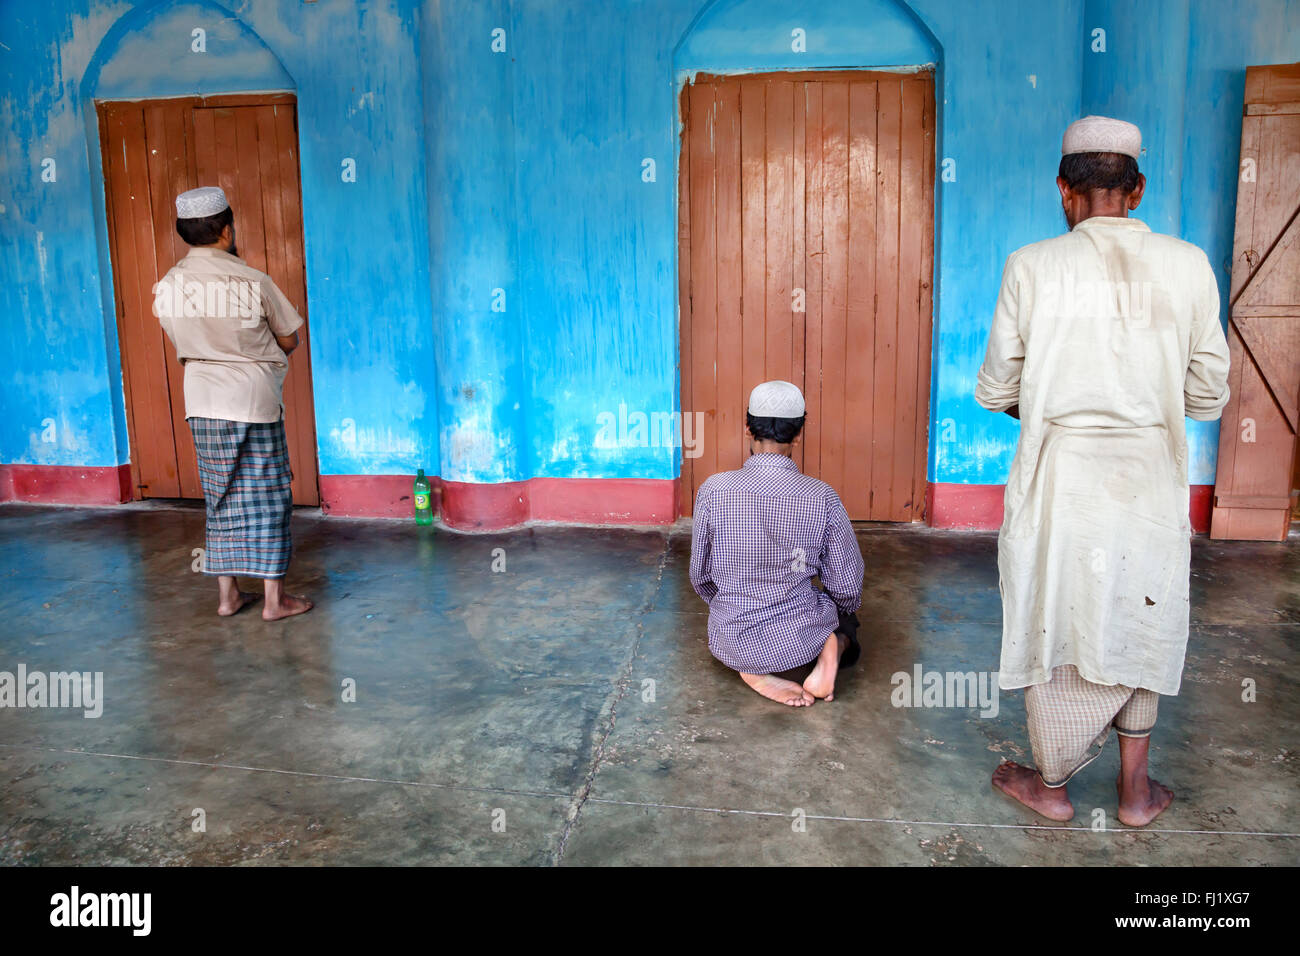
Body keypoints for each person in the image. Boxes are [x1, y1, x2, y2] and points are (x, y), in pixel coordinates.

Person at [976, 116, 1230, 825]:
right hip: (1148, 479)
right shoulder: (1187, 264)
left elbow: (999, 388)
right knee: (1139, 612)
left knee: (1057, 617)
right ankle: (1135, 794)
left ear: (1064, 190)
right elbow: (1210, 394)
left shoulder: (1032, 265)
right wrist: (1142, 402)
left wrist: (1062, 402)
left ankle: (1051, 788)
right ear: (1138, 189)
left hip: (1060, 483)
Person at [154, 186, 313, 621]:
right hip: (252, 401)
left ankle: (228, 598)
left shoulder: (167, 286)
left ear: (185, 233)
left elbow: (181, 338)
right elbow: (290, 338)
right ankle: (275, 602)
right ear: (226, 230)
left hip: (202, 400)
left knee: (219, 494)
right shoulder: (251, 280)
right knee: (267, 496)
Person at [689, 380, 865, 706]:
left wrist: (735, 603)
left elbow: (701, 578)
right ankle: (832, 648)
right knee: (846, 617)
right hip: (800, 649)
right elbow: (847, 586)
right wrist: (842, 611)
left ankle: (751, 669)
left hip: (732, 642)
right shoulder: (821, 496)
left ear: (746, 428)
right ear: (798, 435)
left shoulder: (713, 490)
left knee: (733, 607)